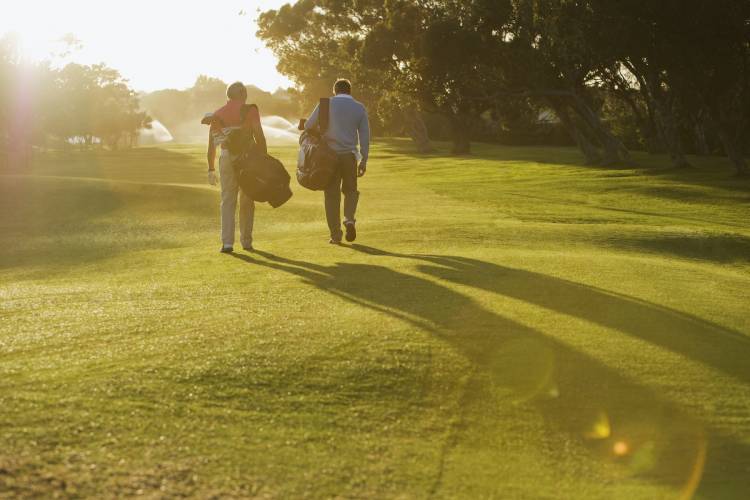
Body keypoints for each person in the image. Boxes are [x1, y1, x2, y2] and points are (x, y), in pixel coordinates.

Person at [304, 78, 370, 244]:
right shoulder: (359, 107)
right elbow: (365, 136)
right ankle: (349, 219)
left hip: (328, 157)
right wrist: (364, 159)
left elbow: (308, 126)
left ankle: (335, 235)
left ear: (335, 90)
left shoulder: (325, 104)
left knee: (331, 195)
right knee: (351, 191)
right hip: (349, 156)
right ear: (350, 91)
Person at [206, 81, 267, 253]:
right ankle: (246, 242)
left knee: (228, 200)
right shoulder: (250, 110)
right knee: (247, 199)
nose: (246, 95)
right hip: (247, 158)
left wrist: (210, 168)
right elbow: (260, 137)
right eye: (245, 92)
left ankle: (227, 243)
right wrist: (263, 159)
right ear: (241, 94)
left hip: (226, 159)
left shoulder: (217, 114)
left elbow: (212, 145)